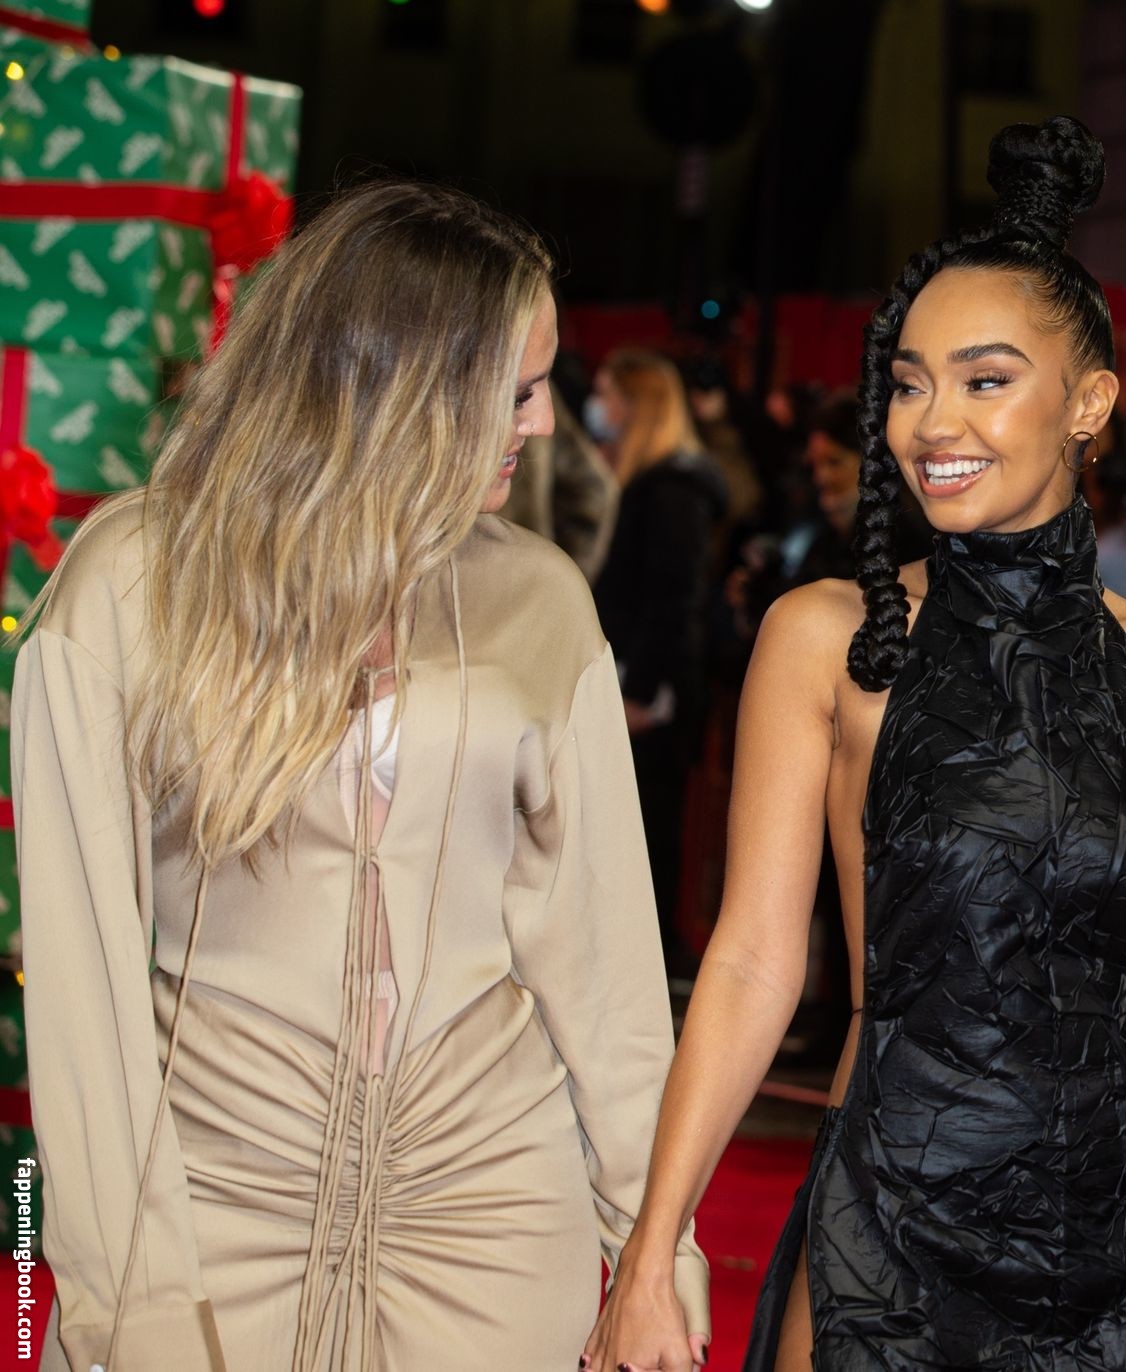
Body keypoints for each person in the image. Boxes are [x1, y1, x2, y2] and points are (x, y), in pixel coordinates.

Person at [583, 117, 1126, 1372]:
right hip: (895, 1240)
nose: (931, 422)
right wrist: (653, 1245)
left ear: (1089, 404)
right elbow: (751, 963)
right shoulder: (829, 639)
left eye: (984, 380)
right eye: (909, 382)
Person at [9, 181, 706, 1371]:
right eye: (518, 390)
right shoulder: (129, 589)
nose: (544, 424)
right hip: (211, 1214)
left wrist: (657, 1257)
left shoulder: (539, 600)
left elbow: (606, 974)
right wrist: (134, 1306)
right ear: (398, 384)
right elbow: (84, 992)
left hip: (493, 1220)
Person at [588, 348, 729, 963]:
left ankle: (649, 962)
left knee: (647, 834)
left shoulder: (672, 490)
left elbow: (674, 598)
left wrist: (640, 693)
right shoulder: (653, 482)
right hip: (643, 686)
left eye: (607, 394)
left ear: (634, 404)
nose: (598, 407)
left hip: (651, 696)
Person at [497, 388, 621, 583]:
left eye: (520, 399)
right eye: (517, 400)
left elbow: (595, 489)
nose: (545, 425)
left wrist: (561, 581)